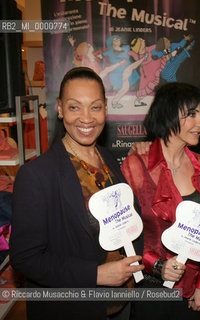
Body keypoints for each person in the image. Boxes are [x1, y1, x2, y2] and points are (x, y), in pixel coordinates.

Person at [10, 67, 144, 320]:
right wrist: (96, 274)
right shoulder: (37, 175)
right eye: (74, 107)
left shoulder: (108, 160)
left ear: (106, 108)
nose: (86, 118)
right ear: (60, 109)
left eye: (95, 107)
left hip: (122, 305)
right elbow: (25, 258)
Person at [121, 82, 200, 319]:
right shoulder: (136, 166)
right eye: (191, 114)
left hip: (191, 288)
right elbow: (124, 235)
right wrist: (157, 265)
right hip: (150, 286)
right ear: (168, 113)